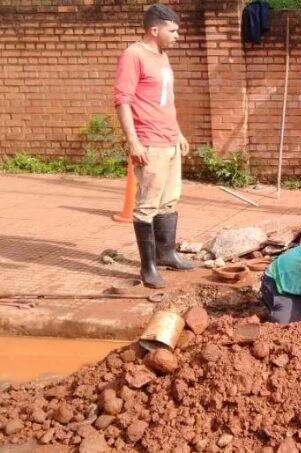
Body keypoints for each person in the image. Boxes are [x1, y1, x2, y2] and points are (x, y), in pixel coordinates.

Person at [114, 4, 195, 289]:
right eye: (172, 31)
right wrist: (133, 141)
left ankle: (167, 254)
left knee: (170, 200)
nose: (177, 36)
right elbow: (122, 100)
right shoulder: (133, 55)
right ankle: (147, 267)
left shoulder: (162, 57)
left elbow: (165, 101)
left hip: (169, 140)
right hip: (149, 142)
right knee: (147, 205)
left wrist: (179, 133)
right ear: (154, 29)